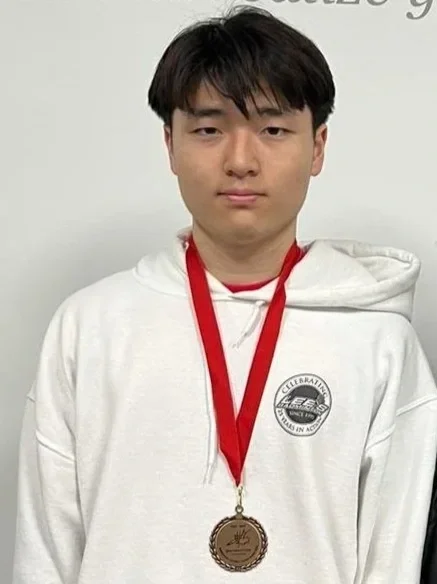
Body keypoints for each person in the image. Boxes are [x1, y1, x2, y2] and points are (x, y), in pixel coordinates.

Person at [12, 5, 437, 583]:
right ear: (170, 143)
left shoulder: (379, 341)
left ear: (317, 147)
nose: (240, 161)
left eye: (273, 129)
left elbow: (393, 564)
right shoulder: (89, 328)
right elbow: (44, 556)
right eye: (209, 129)